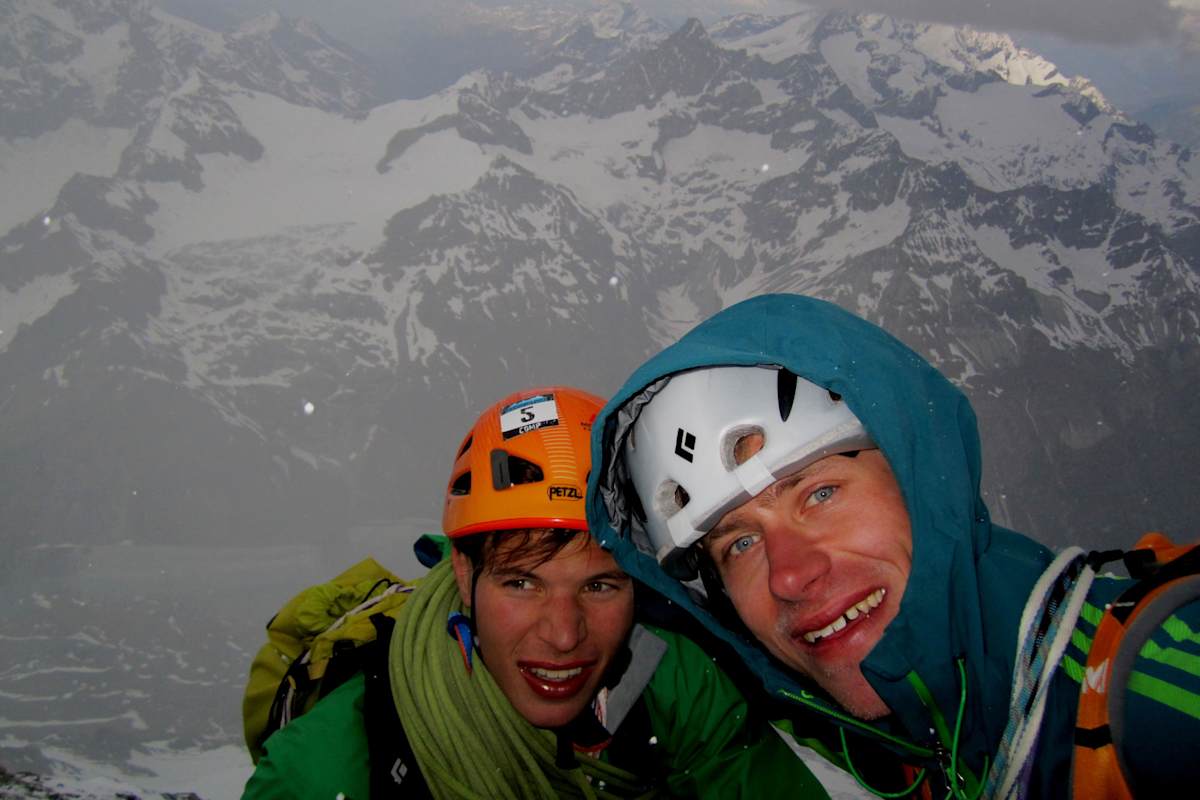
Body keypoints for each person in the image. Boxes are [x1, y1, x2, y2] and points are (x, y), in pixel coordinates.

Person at [586, 294, 1200, 799]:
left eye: (820, 494)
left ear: (919, 479)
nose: (788, 577)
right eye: (740, 543)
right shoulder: (927, 747)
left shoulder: (1151, 682)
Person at [242, 385, 831, 799]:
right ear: (464, 576)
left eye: (600, 585)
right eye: (522, 583)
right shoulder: (329, 766)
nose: (564, 634)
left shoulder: (672, 681)